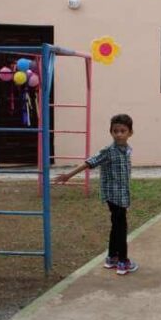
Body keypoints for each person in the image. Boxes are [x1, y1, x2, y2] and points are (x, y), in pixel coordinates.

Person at [53, 114, 137, 275]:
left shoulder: (127, 150)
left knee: (116, 226)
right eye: (115, 131)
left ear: (130, 133)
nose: (119, 134)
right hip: (114, 197)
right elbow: (89, 162)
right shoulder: (108, 151)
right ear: (111, 132)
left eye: (123, 131)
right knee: (121, 229)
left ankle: (112, 258)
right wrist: (68, 175)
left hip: (122, 195)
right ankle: (123, 262)